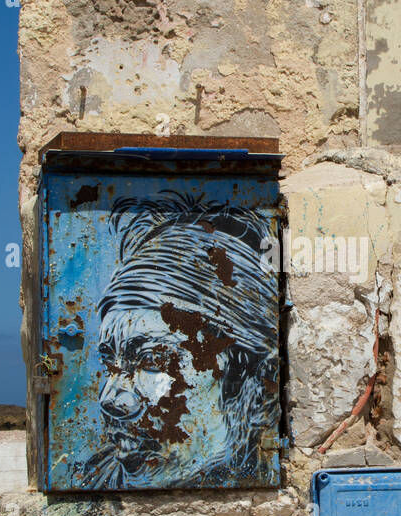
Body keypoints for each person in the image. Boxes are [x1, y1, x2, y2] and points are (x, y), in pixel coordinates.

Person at [75, 189, 279, 489]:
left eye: (152, 361)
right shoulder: (88, 484)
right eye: (110, 364)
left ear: (257, 385)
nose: (109, 398)